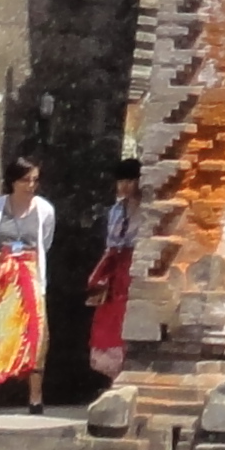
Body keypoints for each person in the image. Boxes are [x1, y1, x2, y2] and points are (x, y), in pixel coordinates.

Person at [0, 153, 56, 411]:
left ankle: (35, 397)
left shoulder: (44, 210)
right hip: (1, 275)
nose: (31, 185)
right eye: (25, 180)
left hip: (28, 273)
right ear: (13, 181)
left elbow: (45, 241)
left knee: (35, 331)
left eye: (35, 180)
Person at [86, 157, 141, 381]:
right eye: (121, 181)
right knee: (109, 322)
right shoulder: (116, 211)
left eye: (130, 180)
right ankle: (112, 377)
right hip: (116, 271)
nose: (125, 186)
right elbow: (111, 245)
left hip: (136, 268)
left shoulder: (147, 211)